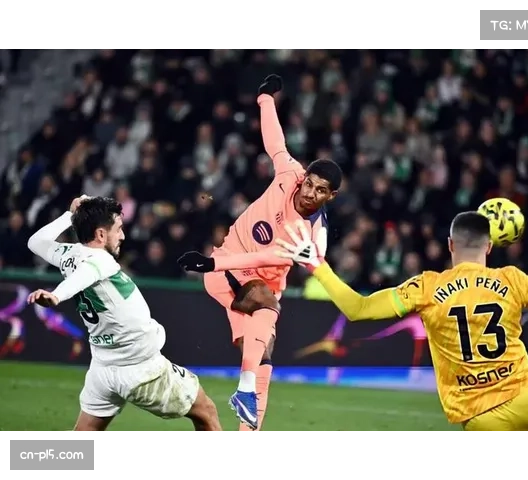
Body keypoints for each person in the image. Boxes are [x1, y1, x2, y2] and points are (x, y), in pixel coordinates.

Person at [275, 213, 528, 432]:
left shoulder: (426, 287)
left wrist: (318, 266)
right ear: (489, 246)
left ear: (451, 244)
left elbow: (358, 309)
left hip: (480, 415)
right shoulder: (513, 280)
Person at [177, 74, 342, 431]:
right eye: (310, 184)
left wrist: (213, 263)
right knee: (267, 308)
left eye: (320, 191)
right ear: (305, 177)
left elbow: (263, 260)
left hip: (248, 276)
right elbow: (275, 142)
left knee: (262, 359)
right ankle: (244, 390)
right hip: (231, 270)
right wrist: (265, 99)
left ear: (331, 197)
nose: (310, 193)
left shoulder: (309, 237)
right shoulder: (290, 174)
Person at [26, 195, 222, 432]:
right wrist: (57, 295)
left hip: (103, 367)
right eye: (118, 229)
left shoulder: (70, 255)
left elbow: (36, 242)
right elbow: (87, 273)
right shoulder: (101, 260)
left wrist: (70, 215)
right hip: (140, 367)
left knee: (84, 435)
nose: (123, 236)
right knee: (207, 412)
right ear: (101, 235)